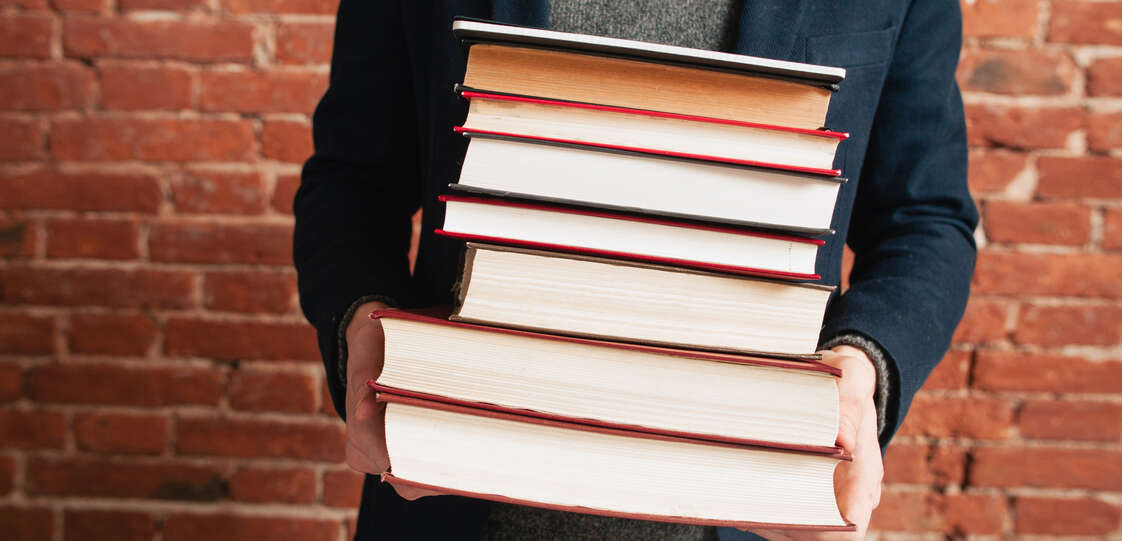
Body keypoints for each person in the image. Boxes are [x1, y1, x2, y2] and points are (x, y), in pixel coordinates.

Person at [293, 1, 978, 539]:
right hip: (451, 502)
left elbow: (924, 219)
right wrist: (362, 319)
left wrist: (861, 371)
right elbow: (353, 181)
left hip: (753, 506)